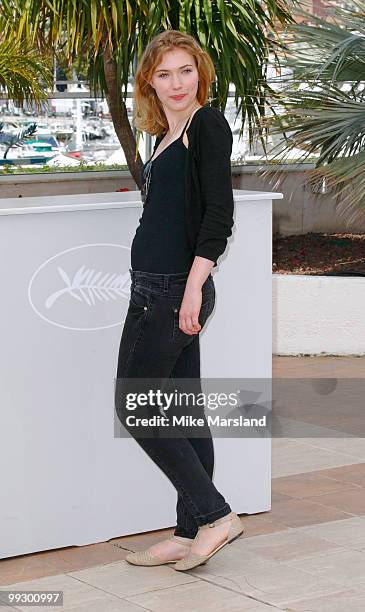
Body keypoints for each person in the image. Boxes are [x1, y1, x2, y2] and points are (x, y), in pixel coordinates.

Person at [114, 29, 244, 572]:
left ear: (201, 75)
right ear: (150, 81)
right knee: (184, 409)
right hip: (150, 286)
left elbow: (219, 216)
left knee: (135, 407)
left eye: (185, 71)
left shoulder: (206, 125)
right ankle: (191, 530)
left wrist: (192, 289)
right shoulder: (162, 136)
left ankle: (215, 515)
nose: (176, 83)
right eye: (164, 73)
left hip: (172, 291)